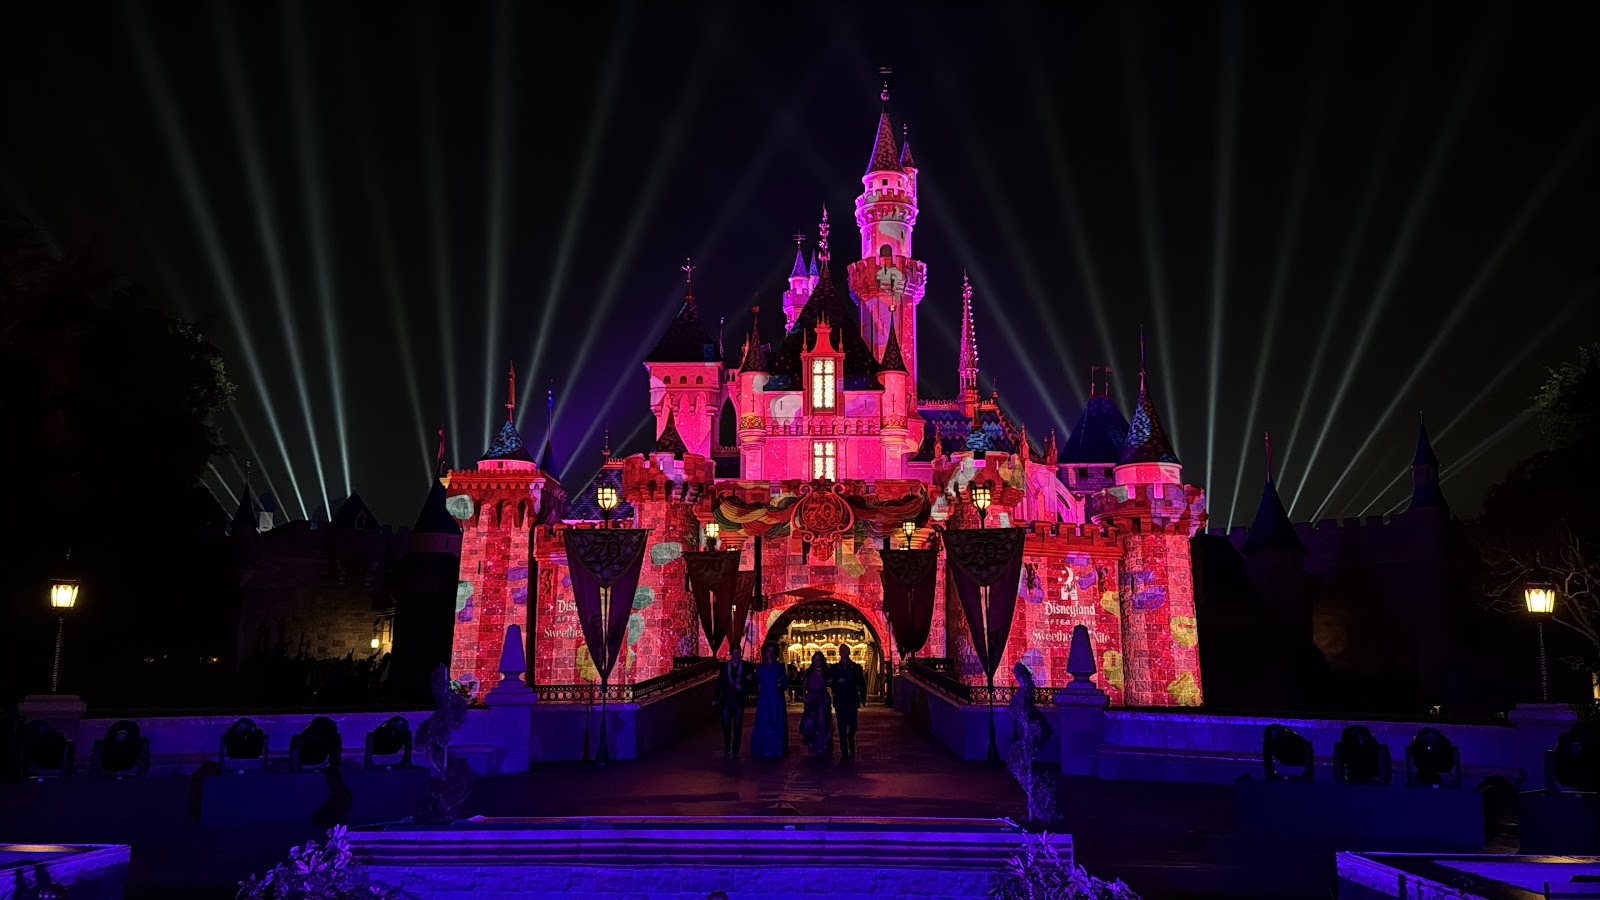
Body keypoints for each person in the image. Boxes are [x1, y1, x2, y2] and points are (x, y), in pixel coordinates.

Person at [712, 645, 756, 759]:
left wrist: (747, 680)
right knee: (726, 724)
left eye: (738, 653)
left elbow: (753, 681)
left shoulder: (747, 666)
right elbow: (720, 683)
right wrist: (716, 697)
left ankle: (735, 750)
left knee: (738, 726)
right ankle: (727, 742)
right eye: (735, 653)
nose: (737, 656)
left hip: (739, 700)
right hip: (727, 700)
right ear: (731, 654)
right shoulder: (725, 667)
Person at [750, 642, 789, 759]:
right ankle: (763, 748)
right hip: (765, 699)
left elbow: (785, 682)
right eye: (768, 651)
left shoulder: (780, 667)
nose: (770, 653)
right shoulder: (761, 667)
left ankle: (776, 749)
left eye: (772, 651)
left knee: (776, 722)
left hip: (776, 699)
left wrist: (781, 683)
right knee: (764, 722)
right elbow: (756, 681)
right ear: (765, 653)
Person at [830, 646, 868, 759]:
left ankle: (850, 737)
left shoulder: (856, 667)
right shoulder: (835, 668)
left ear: (849, 652)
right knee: (841, 726)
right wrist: (837, 682)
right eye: (842, 651)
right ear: (839, 653)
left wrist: (863, 697)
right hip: (840, 701)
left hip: (852, 700)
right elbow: (831, 683)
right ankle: (844, 751)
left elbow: (861, 683)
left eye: (846, 651)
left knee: (853, 725)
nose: (844, 653)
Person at [799, 650, 833, 756]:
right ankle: (812, 744)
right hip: (812, 698)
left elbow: (830, 682)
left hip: (822, 698)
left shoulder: (826, 671)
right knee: (811, 722)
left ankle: (823, 744)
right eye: (816, 659)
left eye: (819, 659)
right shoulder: (809, 671)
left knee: (823, 722)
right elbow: (805, 684)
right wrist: (804, 696)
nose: (817, 661)